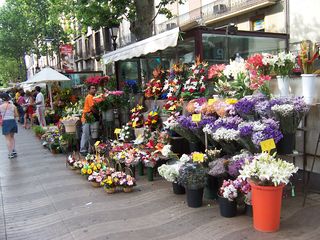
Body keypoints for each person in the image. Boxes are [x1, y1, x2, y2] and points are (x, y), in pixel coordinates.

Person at [0, 93, 19, 159]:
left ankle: (10, 153)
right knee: (12, 137)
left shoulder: (1, 107)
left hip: (5, 122)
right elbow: (16, 115)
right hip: (12, 121)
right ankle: (14, 150)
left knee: (7, 139)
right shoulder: (13, 106)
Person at [80, 84, 97, 155]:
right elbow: (92, 108)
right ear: (89, 90)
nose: (94, 89)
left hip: (88, 118)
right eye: (92, 88)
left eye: (95, 88)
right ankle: (83, 150)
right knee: (86, 134)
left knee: (89, 135)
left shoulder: (92, 97)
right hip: (86, 118)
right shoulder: (89, 97)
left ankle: (89, 149)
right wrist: (97, 113)